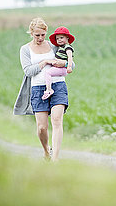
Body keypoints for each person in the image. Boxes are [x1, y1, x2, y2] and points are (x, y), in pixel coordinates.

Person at [13, 18, 73, 161]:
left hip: (58, 86)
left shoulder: (54, 46)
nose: (40, 38)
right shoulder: (25, 49)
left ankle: (55, 159)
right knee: (42, 127)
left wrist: (62, 63)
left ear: (46, 33)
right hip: (38, 89)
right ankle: (47, 150)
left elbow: (71, 64)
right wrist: (45, 62)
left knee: (57, 120)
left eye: (43, 35)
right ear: (31, 33)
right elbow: (28, 71)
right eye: (37, 35)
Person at [42, 26, 75, 100]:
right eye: (57, 38)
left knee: (48, 73)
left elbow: (70, 57)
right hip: (60, 68)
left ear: (67, 38)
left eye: (61, 37)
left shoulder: (68, 47)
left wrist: (69, 66)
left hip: (63, 69)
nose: (59, 40)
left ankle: (49, 89)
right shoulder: (61, 47)